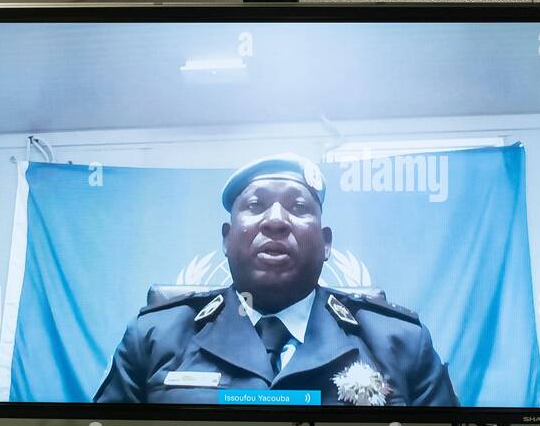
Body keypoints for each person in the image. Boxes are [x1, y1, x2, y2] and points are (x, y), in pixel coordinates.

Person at [94, 153, 458, 406]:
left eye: (299, 208)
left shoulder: (400, 343)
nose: (276, 220)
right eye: (255, 206)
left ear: (326, 242)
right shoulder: (156, 337)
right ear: (226, 238)